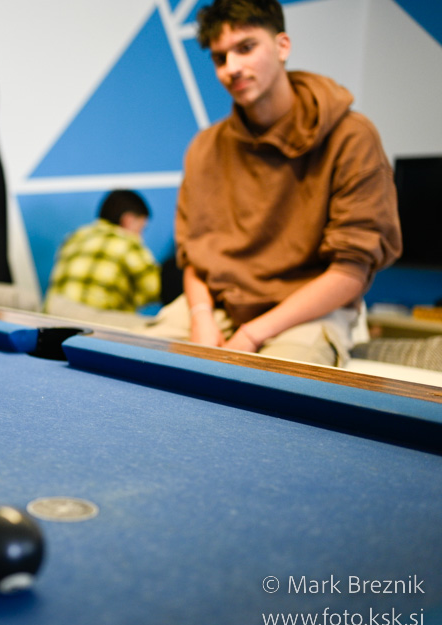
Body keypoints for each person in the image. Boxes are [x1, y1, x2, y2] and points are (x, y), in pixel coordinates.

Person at [144, 0, 401, 366]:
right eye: (220, 58)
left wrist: (252, 334)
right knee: (141, 362)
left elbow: (350, 273)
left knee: (265, 387)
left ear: (282, 46)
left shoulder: (352, 137)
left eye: (246, 47)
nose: (232, 68)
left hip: (308, 312)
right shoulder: (204, 148)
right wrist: (200, 317)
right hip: (217, 304)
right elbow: (194, 260)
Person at [44, 190, 160, 318]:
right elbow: (155, 289)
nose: (141, 235)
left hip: (53, 320)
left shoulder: (75, 236)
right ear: (128, 220)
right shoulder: (128, 243)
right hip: (96, 325)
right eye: (142, 228)